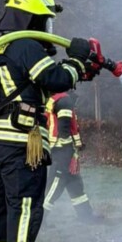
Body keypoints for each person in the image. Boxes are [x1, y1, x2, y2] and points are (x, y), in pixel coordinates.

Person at [0, 0, 99, 242]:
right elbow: (54, 80)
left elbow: (34, 81)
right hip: (22, 145)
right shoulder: (25, 45)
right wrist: (77, 61)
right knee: (25, 209)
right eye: (43, 19)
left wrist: (79, 68)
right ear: (30, 18)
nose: (47, 27)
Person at [42, 91, 102, 221]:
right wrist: (68, 150)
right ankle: (39, 219)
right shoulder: (64, 100)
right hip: (62, 151)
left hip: (63, 150)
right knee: (55, 185)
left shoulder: (58, 99)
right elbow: (64, 130)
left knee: (75, 185)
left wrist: (77, 146)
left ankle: (86, 215)